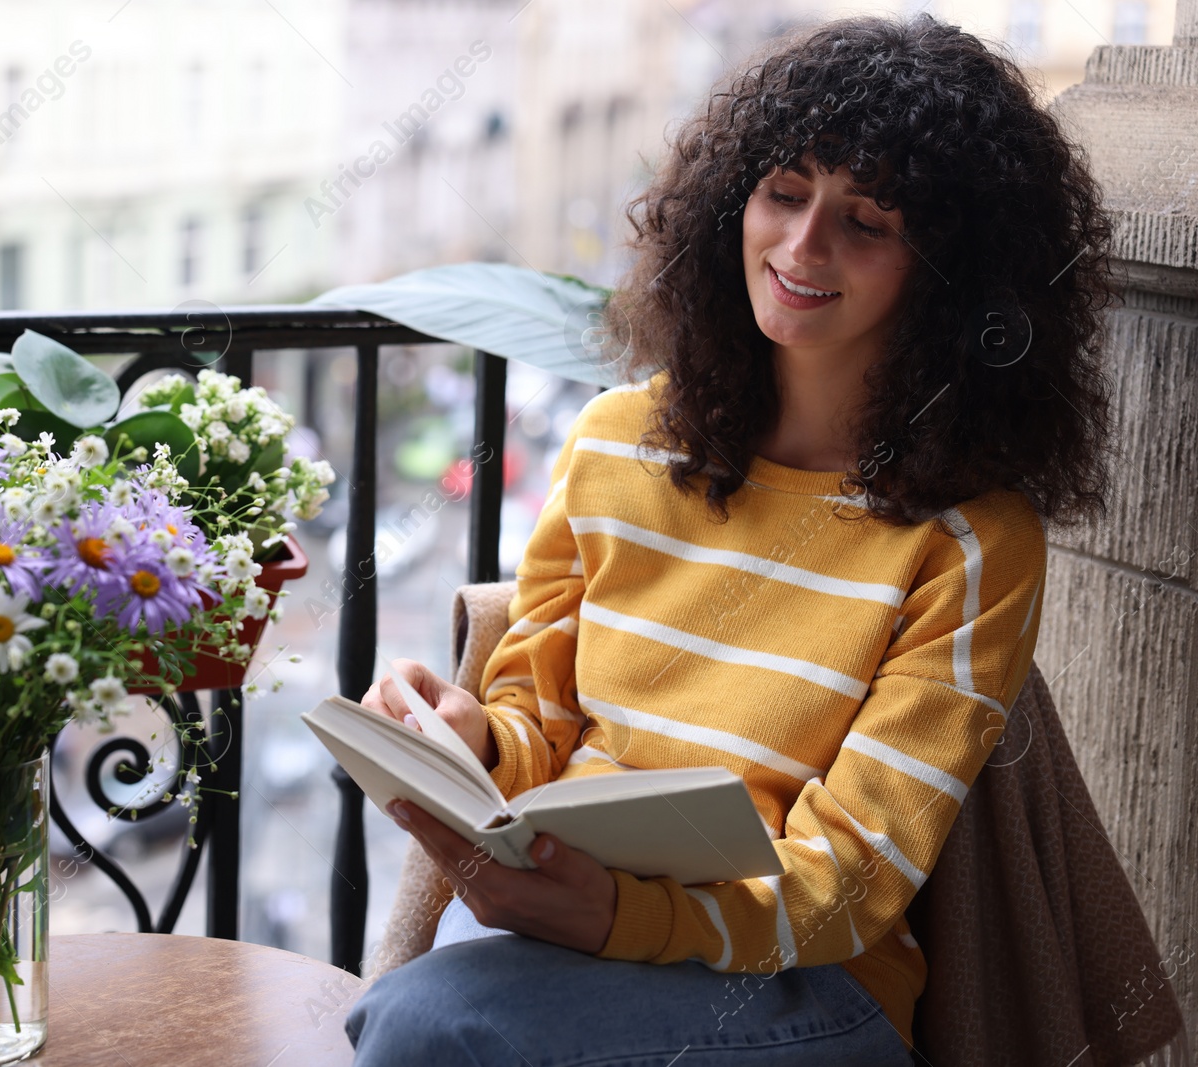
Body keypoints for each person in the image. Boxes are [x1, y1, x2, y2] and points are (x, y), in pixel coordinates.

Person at [344, 12, 1117, 1066]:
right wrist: (470, 740)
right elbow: (544, 723)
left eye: (867, 221)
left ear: (952, 271)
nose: (802, 248)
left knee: (423, 1021)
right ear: (730, 203)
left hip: (801, 986)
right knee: (425, 1017)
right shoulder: (616, 444)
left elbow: (851, 876)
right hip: (563, 945)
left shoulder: (968, 538)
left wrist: (626, 916)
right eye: (784, 192)